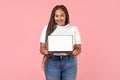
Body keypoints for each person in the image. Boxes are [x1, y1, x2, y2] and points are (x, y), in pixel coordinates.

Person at [40, 5, 81, 80]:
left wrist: (75, 51)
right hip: (52, 61)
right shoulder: (47, 28)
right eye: (56, 16)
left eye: (62, 15)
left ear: (66, 16)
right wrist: (45, 51)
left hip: (69, 61)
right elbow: (42, 47)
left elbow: (78, 47)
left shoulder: (73, 29)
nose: (59, 18)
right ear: (53, 17)